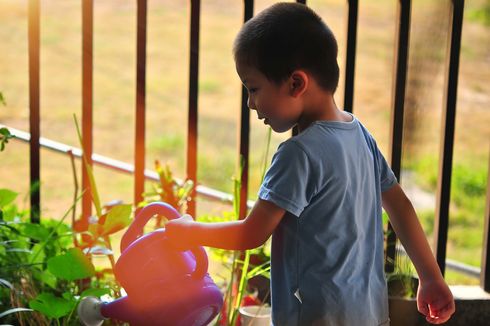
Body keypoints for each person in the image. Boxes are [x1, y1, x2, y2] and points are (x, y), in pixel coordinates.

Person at [165, 2, 455, 325]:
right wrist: (431, 276)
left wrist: (190, 232)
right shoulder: (359, 135)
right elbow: (400, 206)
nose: (250, 103)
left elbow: (251, 233)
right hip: (369, 315)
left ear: (295, 83)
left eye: (253, 88)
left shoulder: (298, 155)